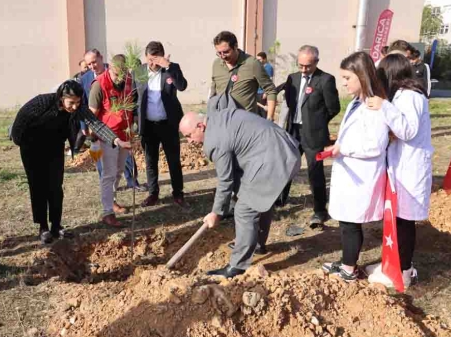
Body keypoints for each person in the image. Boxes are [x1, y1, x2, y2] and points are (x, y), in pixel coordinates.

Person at [180, 97, 300, 278]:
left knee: (245, 210)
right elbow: (235, 174)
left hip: (274, 158)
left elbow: (225, 180)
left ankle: (237, 266)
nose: (189, 141)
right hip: (284, 149)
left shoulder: (214, 141)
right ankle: (257, 244)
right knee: (258, 200)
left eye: (189, 136)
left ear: (200, 127)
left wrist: (216, 212)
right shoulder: (218, 119)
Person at [12, 80, 127, 242]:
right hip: (32, 149)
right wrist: (21, 143)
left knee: (55, 186)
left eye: (78, 102)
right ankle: (43, 227)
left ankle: (56, 225)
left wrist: (116, 141)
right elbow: (20, 121)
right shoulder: (42, 102)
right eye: (71, 102)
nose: (74, 106)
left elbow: (96, 124)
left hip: (54, 148)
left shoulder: (78, 108)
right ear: (61, 97)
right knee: (38, 186)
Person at [321, 51, 398, 282]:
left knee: (350, 223)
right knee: (346, 221)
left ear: (362, 76)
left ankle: (348, 269)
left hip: (361, 176)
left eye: (347, 78)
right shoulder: (357, 102)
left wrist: (343, 148)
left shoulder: (373, 106)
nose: (343, 83)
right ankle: (347, 263)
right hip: (350, 172)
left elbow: (374, 145)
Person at [364, 53, 433, 288]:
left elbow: (408, 130)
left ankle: (403, 270)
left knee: (404, 220)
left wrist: (384, 107)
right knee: (396, 217)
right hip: (400, 167)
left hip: (411, 169)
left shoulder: (411, 96)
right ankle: (390, 264)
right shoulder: (401, 96)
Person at [278, 45, 341, 228]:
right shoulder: (293, 79)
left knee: (315, 172)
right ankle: (280, 200)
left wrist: (317, 121)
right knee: (286, 165)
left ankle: (319, 210)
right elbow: (289, 103)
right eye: (300, 65)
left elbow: (333, 107)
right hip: (294, 131)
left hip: (313, 134)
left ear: (316, 62)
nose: (304, 69)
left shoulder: (326, 80)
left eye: (308, 66)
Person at [81, 49, 145, 191]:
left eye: (94, 62)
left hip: (123, 129)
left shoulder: (126, 78)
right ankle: (110, 200)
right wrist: (86, 128)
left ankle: (131, 182)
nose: (92, 66)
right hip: (102, 132)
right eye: (89, 64)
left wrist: (133, 122)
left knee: (122, 164)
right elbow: (84, 106)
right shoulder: (88, 80)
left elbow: (133, 100)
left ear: (102, 59)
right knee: (105, 168)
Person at [134, 41, 188, 208]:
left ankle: (178, 193)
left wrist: (169, 66)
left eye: (156, 60)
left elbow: (182, 86)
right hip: (148, 125)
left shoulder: (171, 68)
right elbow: (134, 96)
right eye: (150, 59)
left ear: (163, 57)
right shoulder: (139, 71)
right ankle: (153, 193)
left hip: (169, 123)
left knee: (173, 160)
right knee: (150, 160)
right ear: (145, 58)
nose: (152, 64)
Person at [89, 54, 139, 228]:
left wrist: (134, 130)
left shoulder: (129, 81)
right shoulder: (99, 85)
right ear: (110, 68)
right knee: (109, 173)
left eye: (123, 74)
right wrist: (92, 137)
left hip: (125, 133)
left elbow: (133, 107)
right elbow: (91, 115)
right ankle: (107, 212)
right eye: (116, 74)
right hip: (107, 135)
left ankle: (113, 200)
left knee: (118, 171)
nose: (120, 78)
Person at [210, 31, 277, 119]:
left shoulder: (253, 64)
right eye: (219, 53)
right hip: (223, 121)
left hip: (246, 123)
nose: (223, 56)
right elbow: (213, 92)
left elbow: (270, 90)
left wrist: (269, 118)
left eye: (226, 52)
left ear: (235, 46)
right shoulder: (216, 64)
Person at [255, 52, 274, 118]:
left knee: (263, 112)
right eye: (257, 59)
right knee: (257, 111)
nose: (258, 61)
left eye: (259, 59)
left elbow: (270, 81)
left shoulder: (268, 68)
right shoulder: (260, 67)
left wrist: (266, 92)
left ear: (265, 59)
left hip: (262, 93)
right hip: (257, 91)